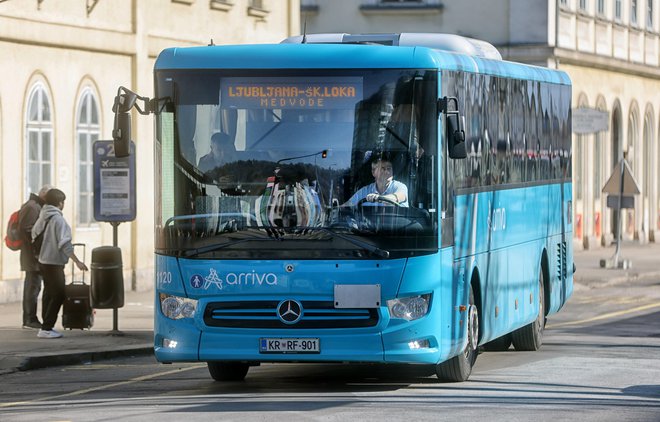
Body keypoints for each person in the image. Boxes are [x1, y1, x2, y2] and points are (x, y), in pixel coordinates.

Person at [31, 188, 88, 339]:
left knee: (49, 293)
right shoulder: (58, 220)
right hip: (54, 263)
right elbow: (65, 244)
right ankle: (46, 327)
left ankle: (45, 326)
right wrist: (77, 261)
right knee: (59, 294)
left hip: (43, 261)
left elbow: (34, 234)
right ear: (60, 203)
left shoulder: (43, 216)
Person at [18, 185, 51, 329]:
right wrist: (40, 244)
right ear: (44, 195)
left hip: (36, 255)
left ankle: (31, 318)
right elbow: (26, 229)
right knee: (32, 288)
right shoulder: (32, 207)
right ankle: (29, 319)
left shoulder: (37, 206)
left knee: (35, 287)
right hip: (33, 256)